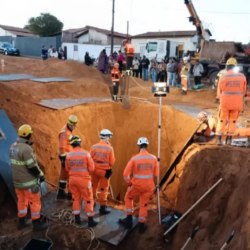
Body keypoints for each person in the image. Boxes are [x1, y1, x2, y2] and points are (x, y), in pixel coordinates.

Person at [9, 124, 48, 231]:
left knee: (21, 201)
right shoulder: (26, 149)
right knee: (34, 201)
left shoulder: (13, 146)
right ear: (28, 135)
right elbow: (32, 166)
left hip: (17, 182)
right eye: (30, 134)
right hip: (28, 183)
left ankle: (22, 222)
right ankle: (36, 223)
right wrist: (40, 175)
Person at [118, 137, 159, 234]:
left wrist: (130, 183)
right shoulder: (153, 158)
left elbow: (125, 175)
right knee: (143, 205)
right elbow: (157, 174)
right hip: (149, 187)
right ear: (147, 145)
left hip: (136, 185)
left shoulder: (134, 158)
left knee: (128, 198)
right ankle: (141, 226)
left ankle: (129, 220)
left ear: (138, 146)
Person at [65, 135, 98, 227]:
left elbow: (67, 169)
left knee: (75, 198)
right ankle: (90, 221)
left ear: (72, 144)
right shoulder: (86, 154)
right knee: (88, 199)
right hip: (84, 181)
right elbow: (92, 169)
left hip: (72, 180)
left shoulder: (68, 155)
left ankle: (77, 219)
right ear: (79, 143)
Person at [216, 58, 247, 145]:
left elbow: (220, 90)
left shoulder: (223, 76)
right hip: (237, 103)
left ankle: (219, 139)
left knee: (222, 119)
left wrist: (219, 98)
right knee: (232, 121)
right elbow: (244, 91)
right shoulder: (242, 76)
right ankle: (229, 140)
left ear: (227, 67)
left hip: (225, 102)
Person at [90, 129, 115, 215]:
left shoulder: (94, 147)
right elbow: (112, 162)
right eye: (109, 137)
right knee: (103, 189)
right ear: (107, 137)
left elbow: (90, 159)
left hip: (94, 170)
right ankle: (102, 208)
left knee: (93, 187)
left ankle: (91, 204)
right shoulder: (109, 148)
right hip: (104, 172)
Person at [57, 114, 78, 199]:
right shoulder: (65, 133)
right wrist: (63, 159)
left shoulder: (66, 130)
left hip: (65, 156)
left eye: (74, 125)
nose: (73, 127)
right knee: (71, 175)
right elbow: (62, 147)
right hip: (66, 157)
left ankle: (61, 193)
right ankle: (70, 194)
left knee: (64, 175)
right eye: (72, 125)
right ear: (69, 124)